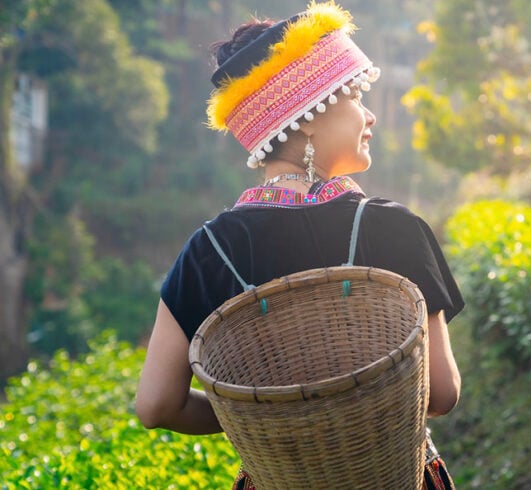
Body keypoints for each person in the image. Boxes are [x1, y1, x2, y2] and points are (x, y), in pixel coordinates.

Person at [134, 3, 462, 489]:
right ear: (307, 116)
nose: (370, 115)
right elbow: (441, 392)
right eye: (355, 95)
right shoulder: (394, 228)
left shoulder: (208, 251)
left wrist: (272, 416)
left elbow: (156, 405)